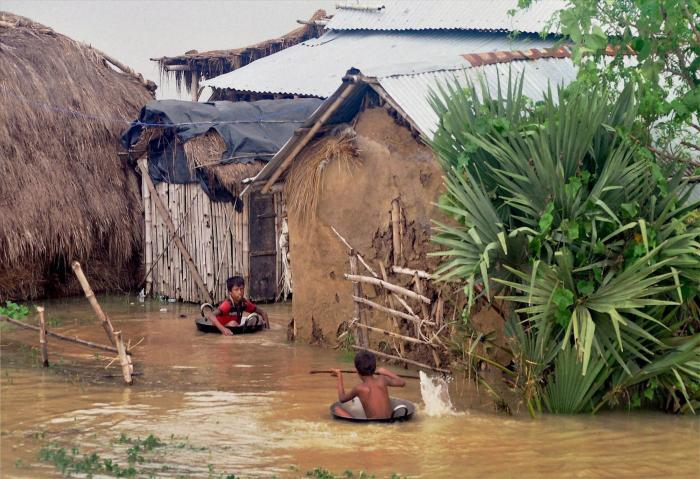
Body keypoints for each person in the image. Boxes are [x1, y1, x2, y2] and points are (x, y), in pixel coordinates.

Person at [331, 350, 406, 419]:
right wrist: (386, 372)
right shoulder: (382, 379)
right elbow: (402, 382)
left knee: (337, 409)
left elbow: (342, 398)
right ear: (374, 368)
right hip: (390, 421)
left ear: (357, 371)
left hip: (374, 426)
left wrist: (339, 376)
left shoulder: (359, 388)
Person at [204, 276, 270, 336]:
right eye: (236, 289)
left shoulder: (244, 303)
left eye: (241, 289)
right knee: (233, 323)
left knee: (259, 320)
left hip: (236, 328)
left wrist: (268, 331)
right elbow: (210, 315)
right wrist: (223, 329)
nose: (240, 292)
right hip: (221, 328)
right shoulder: (227, 305)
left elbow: (263, 312)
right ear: (230, 292)